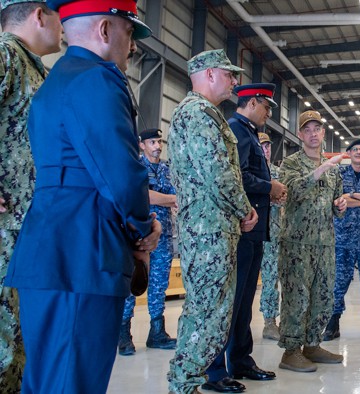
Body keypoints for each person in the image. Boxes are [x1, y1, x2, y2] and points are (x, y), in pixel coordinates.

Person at [5, 1, 162, 391]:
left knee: (44, 379)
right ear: (106, 30)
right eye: (129, 34)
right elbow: (122, 175)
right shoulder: (97, 79)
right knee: (73, 381)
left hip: (48, 248)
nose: (132, 47)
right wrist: (144, 229)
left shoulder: (54, 82)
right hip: (83, 252)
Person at [166, 49, 258, 394]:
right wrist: (244, 209)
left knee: (211, 311)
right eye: (229, 74)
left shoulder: (203, 114)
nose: (234, 81)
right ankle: (184, 383)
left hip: (211, 227)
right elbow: (218, 173)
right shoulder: (199, 114)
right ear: (208, 75)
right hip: (208, 231)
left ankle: (186, 381)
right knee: (208, 313)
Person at [203, 83, 284, 390]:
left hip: (254, 230)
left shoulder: (247, 130)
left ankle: (240, 360)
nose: (268, 113)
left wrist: (269, 189)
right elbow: (235, 176)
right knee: (232, 302)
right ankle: (215, 370)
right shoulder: (237, 130)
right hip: (241, 228)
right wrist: (270, 187)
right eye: (266, 107)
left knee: (245, 300)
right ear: (252, 103)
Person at [0, 0, 62, 390]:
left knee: (17, 340)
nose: (63, 27)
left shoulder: (32, 68)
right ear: (40, 14)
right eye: (59, 16)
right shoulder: (6, 54)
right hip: (5, 230)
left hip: (25, 229)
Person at [277, 109, 347, 373]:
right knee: (297, 297)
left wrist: (340, 206)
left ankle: (312, 344)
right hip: (297, 243)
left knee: (323, 296)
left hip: (325, 243)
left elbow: (338, 205)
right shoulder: (291, 164)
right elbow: (289, 192)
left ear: (323, 132)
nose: (313, 133)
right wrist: (319, 170)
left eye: (317, 129)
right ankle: (291, 351)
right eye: (307, 129)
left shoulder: (335, 172)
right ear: (300, 134)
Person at [118, 128, 179, 356]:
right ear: (142, 145)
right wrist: (170, 199)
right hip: (140, 234)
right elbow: (144, 196)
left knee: (159, 285)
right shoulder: (136, 168)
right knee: (134, 281)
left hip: (163, 238)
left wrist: (166, 199)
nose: (157, 145)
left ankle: (157, 332)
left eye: (159, 141)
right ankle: (124, 333)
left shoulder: (166, 170)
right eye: (152, 141)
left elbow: (171, 195)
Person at [323, 137, 360, 341]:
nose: (358, 152)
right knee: (338, 281)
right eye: (354, 149)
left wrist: (351, 195)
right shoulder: (338, 174)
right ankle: (333, 322)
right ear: (349, 153)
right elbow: (336, 201)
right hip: (342, 237)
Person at [259, 131, 284, 341]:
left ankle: (270, 322)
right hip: (249, 234)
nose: (265, 150)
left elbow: (285, 198)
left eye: (267, 146)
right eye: (261, 146)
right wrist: (269, 195)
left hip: (273, 235)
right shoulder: (246, 171)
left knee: (271, 279)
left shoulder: (278, 173)